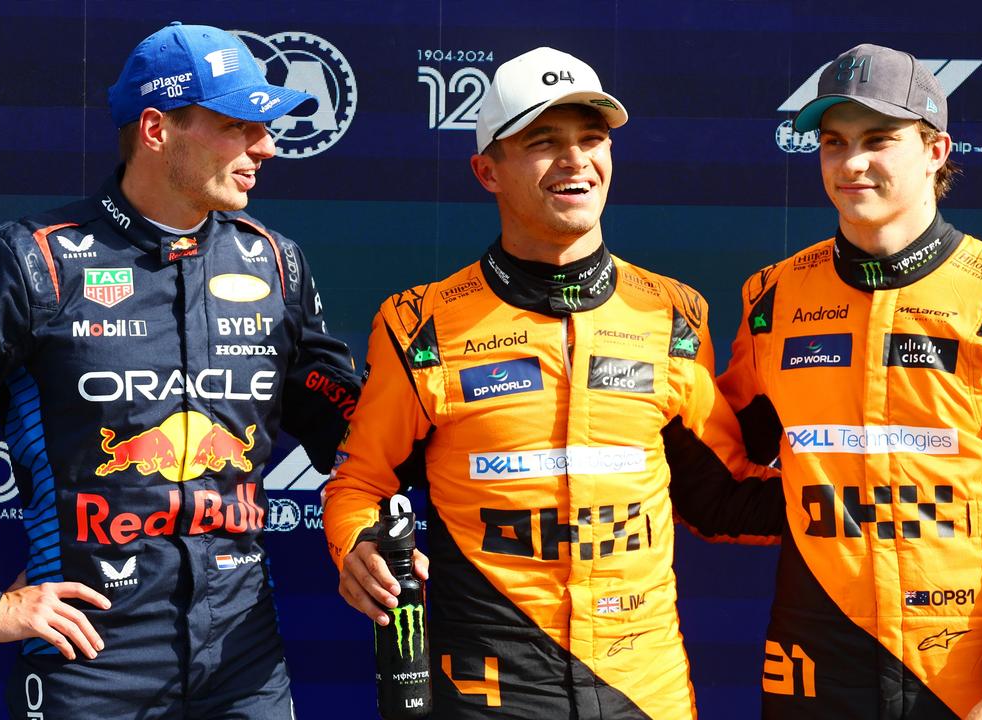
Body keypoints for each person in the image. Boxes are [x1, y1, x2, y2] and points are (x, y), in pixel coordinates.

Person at [0, 22, 360, 717]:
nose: (267, 146)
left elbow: (348, 426)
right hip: (90, 660)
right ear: (158, 129)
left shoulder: (275, 261)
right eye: (239, 125)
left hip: (244, 660)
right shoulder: (32, 260)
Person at [322, 46, 782, 719]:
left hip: (643, 690)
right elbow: (362, 480)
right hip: (489, 690)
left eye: (591, 139)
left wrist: (874, 496)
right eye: (543, 141)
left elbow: (719, 495)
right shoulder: (420, 322)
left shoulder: (673, 312)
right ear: (487, 170)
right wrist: (357, 541)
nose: (575, 160)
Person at [719, 43, 982, 719]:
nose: (851, 163)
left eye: (879, 140)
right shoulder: (774, 300)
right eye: (833, 143)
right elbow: (719, 463)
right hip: (812, 664)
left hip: (958, 675)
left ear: (936, 150)